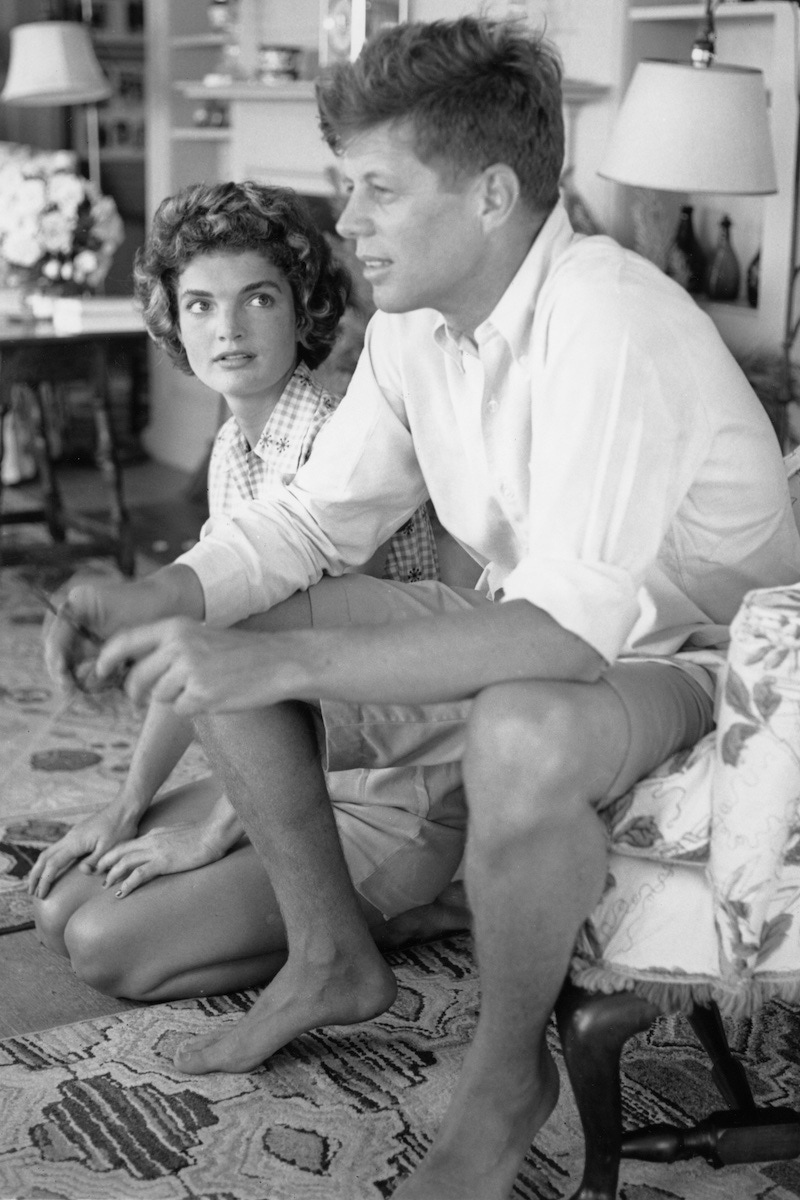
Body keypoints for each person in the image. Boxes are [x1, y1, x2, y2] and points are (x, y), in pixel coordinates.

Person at [41, 17, 800, 1200]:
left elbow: (564, 638)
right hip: (538, 629)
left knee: (522, 723)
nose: (344, 224)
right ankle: (330, 955)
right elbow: (305, 526)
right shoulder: (409, 331)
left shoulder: (612, 320)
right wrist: (151, 593)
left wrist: (283, 675)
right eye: (347, 188)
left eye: (376, 191)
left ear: (491, 193)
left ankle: (505, 1081)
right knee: (244, 621)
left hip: (700, 661)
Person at [30, 180, 468, 1005]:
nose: (226, 329)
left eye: (256, 298)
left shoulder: (345, 444)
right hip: (301, 778)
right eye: (199, 305)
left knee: (102, 947)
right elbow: (196, 638)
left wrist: (206, 836)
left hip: (391, 789)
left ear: (301, 308)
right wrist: (128, 804)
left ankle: (408, 914)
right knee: (59, 905)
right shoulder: (235, 448)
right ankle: (334, 918)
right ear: (172, 322)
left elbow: (320, 681)